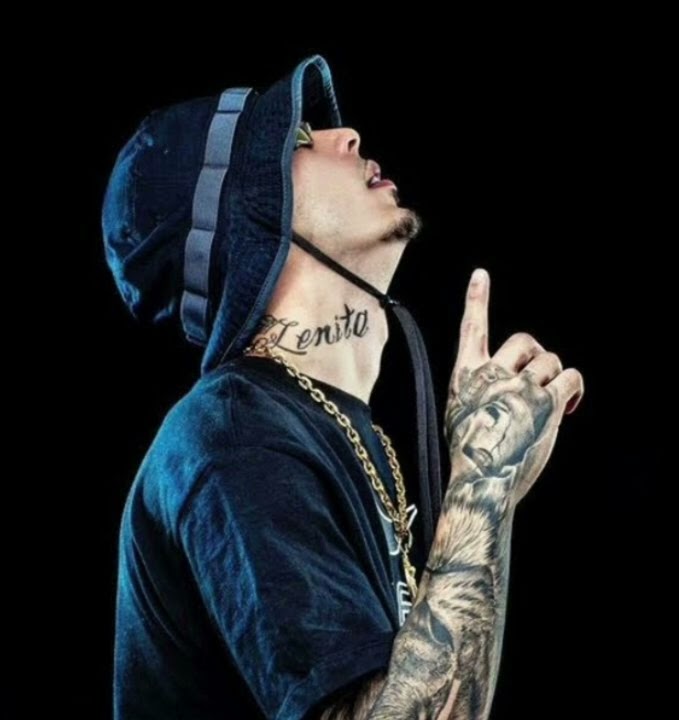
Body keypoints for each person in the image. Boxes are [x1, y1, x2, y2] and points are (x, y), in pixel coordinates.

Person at [102, 55, 584, 719]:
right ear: (249, 216)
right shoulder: (232, 438)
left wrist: (489, 489)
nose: (347, 136)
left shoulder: (328, 430)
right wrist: (483, 485)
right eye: (299, 140)